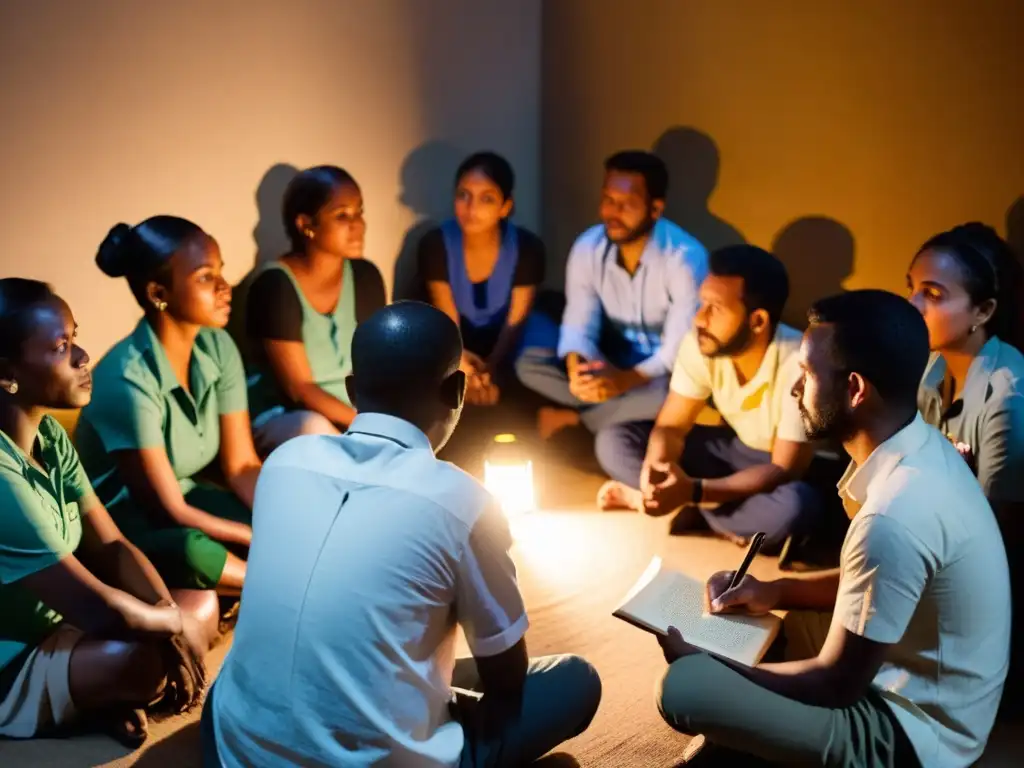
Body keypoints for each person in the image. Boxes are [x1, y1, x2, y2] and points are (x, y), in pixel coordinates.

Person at [204, 302, 602, 767]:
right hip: (376, 760)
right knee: (576, 680)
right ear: (457, 390)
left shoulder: (286, 462)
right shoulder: (462, 501)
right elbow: (506, 679)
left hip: (235, 748)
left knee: (266, 671)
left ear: (352, 391)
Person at [655, 290, 1010, 767]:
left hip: (916, 736)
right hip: (930, 686)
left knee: (685, 687)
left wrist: (709, 663)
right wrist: (772, 590)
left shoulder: (894, 513)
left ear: (855, 389)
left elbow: (834, 684)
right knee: (765, 620)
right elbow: (877, 584)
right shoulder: (922, 447)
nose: (795, 390)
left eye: (805, 373)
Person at [0, 279, 214, 746]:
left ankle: (94, 698)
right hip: (13, 655)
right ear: (6, 373)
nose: (83, 357)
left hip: (67, 626)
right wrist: (171, 626)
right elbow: (97, 607)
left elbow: (114, 545)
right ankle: (93, 700)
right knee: (142, 660)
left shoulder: (51, 439)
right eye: (61, 347)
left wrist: (169, 613)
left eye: (76, 338)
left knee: (203, 606)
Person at [75, 217, 261, 595]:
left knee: (270, 517)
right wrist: (251, 536)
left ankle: (251, 579)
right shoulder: (126, 379)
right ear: (159, 292)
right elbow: (168, 510)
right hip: (123, 523)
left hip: (189, 498)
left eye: (221, 271)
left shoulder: (218, 347)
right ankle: (276, 586)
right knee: (193, 551)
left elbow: (242, 466)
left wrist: (276, 522)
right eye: (206, 277)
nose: (226, 287)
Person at [599, 245, 819, 553]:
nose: (699, 319)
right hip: (729, 453)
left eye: (715, 308)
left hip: (777, 466)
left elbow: (784, 469)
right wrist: (657, 468)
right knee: (614, 440)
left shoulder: (799, 362)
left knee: (796, 507)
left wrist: (695, 491)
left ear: (757, 322)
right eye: (701, 304)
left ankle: (687, 508)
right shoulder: (702, 343)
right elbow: (671, 427)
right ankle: (682, 504)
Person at [515, 150, 708, 444]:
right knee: (528, 361)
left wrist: (622, 381)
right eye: (608, 200)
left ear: (655, 209)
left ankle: (579, 419)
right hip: (608, 358)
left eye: (626, 204)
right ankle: (600, 407)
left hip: (656, 375)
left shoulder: (685, 259)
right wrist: (577, 369)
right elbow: (579, 322)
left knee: (677, 396)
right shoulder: (589, 246)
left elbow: (676, 352)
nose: (612, 213)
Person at [908, 221, 1024, 711]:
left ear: (984, 311)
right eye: (911, 289)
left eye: (932, 294)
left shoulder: (1008, 393)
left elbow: (1002, 531)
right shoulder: (932, 371)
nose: (914, 307)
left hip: (997, 569)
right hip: (948, 543)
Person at [240, 165, 387, 453]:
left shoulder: (364, 275)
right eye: (342, 215)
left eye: (359, 212)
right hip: (288, 414)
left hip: (351, 411)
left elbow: (377, 360)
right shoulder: (275, 285)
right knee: (315, 431)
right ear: (306, 224)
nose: (358, 225)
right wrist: (365, 425)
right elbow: (300, 389)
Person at [418, 151, 546, 406]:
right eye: (463, 195)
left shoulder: (527, 247)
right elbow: (447, 319)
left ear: (505, 207)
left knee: (526, 370)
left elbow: (515, 323)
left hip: (509, 345)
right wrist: (463, 362)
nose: (471, 208)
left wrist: (491, 368)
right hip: (457, 341)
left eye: (486, 199)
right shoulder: (436, 244)